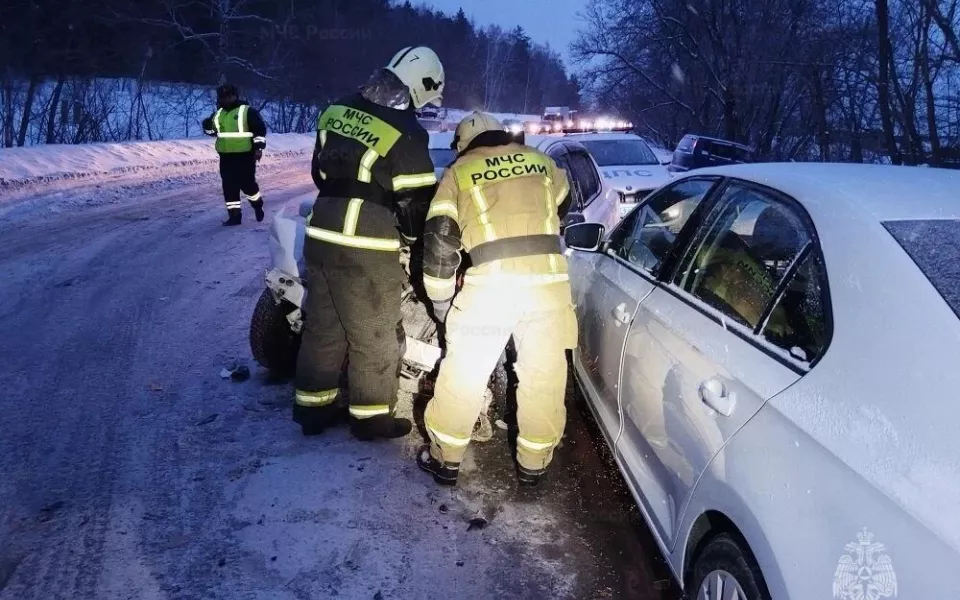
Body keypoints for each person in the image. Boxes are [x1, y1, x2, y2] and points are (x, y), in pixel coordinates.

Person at [416, 112, 578, 487]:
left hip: (491, 287)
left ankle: (445, 460)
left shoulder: (458, 172)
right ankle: (534, 464)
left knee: (465, 374)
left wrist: (441, 301)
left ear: (462, 144)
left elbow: (440, 242)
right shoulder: (540, 160)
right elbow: (564, 203)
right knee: (543, 376)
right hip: (548, 286)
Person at [293, 47, 444, 441]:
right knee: (373, 332)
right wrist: (414, 242)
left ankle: (312, 409)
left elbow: (320, 172)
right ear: (419, 86)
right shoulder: (407, 132)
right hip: (365, 244)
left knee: (323, 326)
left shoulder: (336, 109)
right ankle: (371, 419)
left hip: (320, 233)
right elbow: (415, 203)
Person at [201, 84, 267, 226]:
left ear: (235, 96)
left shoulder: (247, 111)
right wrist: (206, 127)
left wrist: (258, 148)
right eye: (223, 97)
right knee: (229, 186)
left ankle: (257, 205)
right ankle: (234, 216)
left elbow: (259, 130)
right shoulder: (218, 114)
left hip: (245, 155)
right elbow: (213, 132)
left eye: (229, 96)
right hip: (226, 156)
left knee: (247, 184)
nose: (226, 99)